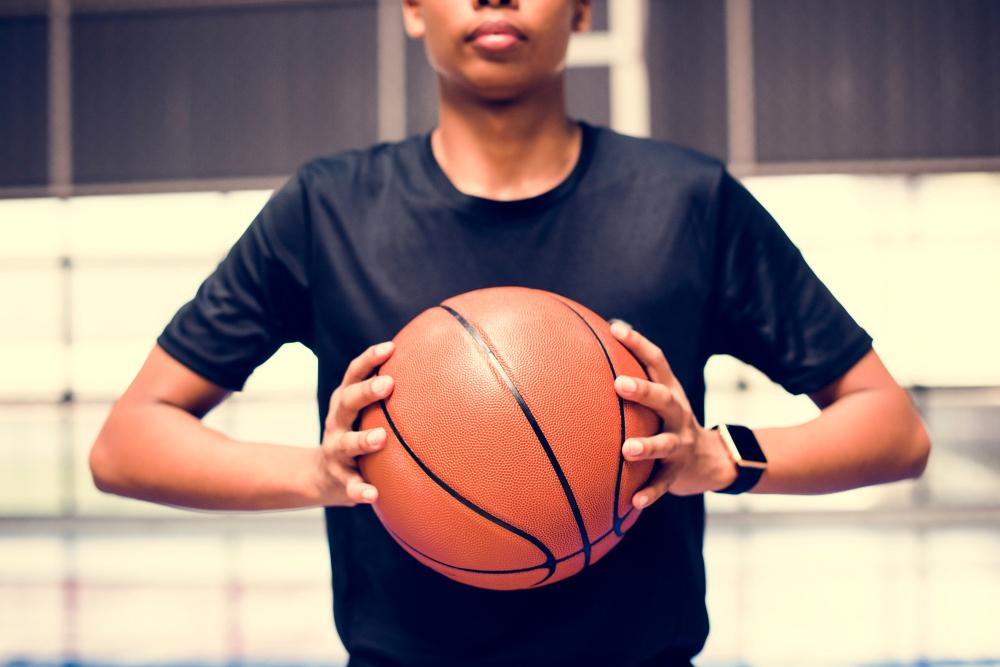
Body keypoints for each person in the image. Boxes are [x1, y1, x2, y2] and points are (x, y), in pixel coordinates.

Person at [88, 0, 931, 665]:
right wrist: (315, 470)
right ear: (413, 7)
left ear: (584, 9)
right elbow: (127, 443)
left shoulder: (686, 201)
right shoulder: (328, 210)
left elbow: (892, 427)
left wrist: (719, 457)